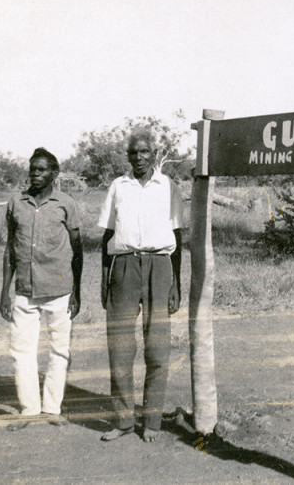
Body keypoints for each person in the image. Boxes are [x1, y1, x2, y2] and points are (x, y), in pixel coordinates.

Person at [97, 131, 183, 442]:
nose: (139, 157)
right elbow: (107, 236)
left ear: (154, 153)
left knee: (158, 348)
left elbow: (179, 236)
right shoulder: (118, 187)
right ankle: (122, 421)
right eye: (133, 153)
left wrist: (176, 283)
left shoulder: (168, 186)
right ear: (128, 156)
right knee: (119, 347)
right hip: (123, 267)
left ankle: (152, 423)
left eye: (144, 152)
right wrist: (105, 280)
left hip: (159, 265)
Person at [0, 147, 83, 430]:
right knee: (22, 352)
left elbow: (77, 248)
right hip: (24, 291)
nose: (35, 174)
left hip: (59, 290)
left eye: (42, 169)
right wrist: (5, 292)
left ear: (54, 174)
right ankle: (29, 410)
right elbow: (10, 249)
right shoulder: (16, 203)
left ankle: (52, 408)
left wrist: (77, 291)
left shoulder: (65, 204)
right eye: (32, 169)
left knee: (59, 351)